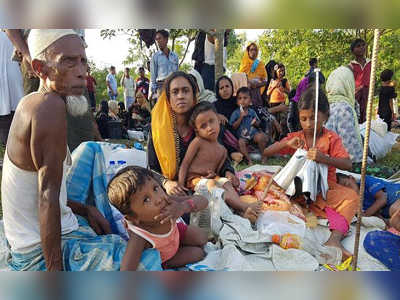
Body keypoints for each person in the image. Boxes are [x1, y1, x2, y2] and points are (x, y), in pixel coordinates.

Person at [2, 29, 160, 271]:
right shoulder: (48, 108)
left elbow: (46, 193)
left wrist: (85, 208)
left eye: (83, 61)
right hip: (39, 254)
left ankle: (98, 218)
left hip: (54, 223)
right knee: (148, 261)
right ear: (40, 68)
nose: (82, 72)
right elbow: (47, 198)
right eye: (68, 60)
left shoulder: (38, 100)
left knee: (91, 149)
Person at [263, 85, 358, 260]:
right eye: (304, 119)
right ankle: (304, 209)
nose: (308, 124)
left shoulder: (331, 138)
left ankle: (334, 239)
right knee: (274, 189)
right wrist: (286, 144)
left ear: (325, 116)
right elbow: (267, 152)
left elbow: (347, 164)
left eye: (314, 118)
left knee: (352, 198)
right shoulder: (297, 137)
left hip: (325, 190)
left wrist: (324, 158)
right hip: (297, 192)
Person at [148, 71, 239, 197]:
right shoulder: (158, 131)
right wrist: (166, 183)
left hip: (203, 184)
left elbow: (219, 154)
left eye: (186, 90)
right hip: (171, 190)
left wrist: (228, 172)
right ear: (168, 99)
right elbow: (151, 168)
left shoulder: (204, 125)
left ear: (194, 96)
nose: (180, 96)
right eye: (175, 92)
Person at [107, 166, 208, 270]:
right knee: (198, 253)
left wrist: (184, 207)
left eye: (155, 188)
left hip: (176, 234)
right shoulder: (140, 235)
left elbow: (203, 200)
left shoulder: (166, 200)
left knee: (202, 237)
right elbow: (128, 266)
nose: (158, 199)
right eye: (146, 200)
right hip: (166, 257)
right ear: (133, 217)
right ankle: (166, 265)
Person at [178, 102, 261, 222]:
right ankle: (244, 206)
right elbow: (185, 163)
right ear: (197, 130)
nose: (210, 128)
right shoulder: (198, 142)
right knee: (213, 184)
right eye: (203, 126)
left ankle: (240, 212)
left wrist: (216, 175)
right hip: (193, 180)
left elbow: (218, 171)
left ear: (218, 119)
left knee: (226, 182)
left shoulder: (222, 150)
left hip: (210, 179)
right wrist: (181, 184)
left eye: (212, 121)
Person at [324, 66, 364, 164]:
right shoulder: (343, 108)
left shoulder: (326, 105)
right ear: (348, 84)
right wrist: (364, 161)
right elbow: (351, 149)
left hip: (326, 160)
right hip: (341, 164)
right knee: (385, 172)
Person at [230, 87, 269, 166]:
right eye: (240, 98)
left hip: (253, 134)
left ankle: (264, 155)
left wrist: (255, 123)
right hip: (243, 137)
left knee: (260, 137)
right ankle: (248, 159)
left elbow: (258, 123)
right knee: (241, 142)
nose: (242, 100)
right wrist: (240, 118)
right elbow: (233, 127)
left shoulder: (252, 111)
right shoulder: (236, 113)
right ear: (237, 102)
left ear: (250, 100)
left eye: (245, 98)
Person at [0, 31, 23, 145]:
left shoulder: (10, 37)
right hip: (12, 92)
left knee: (7, 132)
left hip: (10, 92)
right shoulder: (11, 38)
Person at [150, 30, 179, 99]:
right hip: (161, 86)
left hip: (174, 85)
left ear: (166, 40)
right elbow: (153, 75)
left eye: (160, 38)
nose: (157, 41)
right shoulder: (155, 57)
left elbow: (177, 71)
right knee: (162, 108)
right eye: (156, 39)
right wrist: (154, 90)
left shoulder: (174, 56)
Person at [238, 43, 268, 109]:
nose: (253, 52)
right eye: (251, 50)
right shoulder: (244, 63)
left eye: (255, 50)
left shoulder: (260, 64)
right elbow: (239, 78)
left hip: (256, 94)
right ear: (248, 51)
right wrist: (247, 84)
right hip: (245, 93)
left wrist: (257, 85)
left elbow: (265, 81)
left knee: (257, 112)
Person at [349, 39, 371, 124]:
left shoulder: (370, 63)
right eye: (358, 46)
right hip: (356, 94)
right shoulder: (351, 66)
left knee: (366, 114)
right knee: (357, 114)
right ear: (353, 51)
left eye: (363, 45)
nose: (361, 48)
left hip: (368, 92)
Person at [267, 63, 291, 140]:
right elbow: (267, 93)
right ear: (276, 71)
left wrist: (283, 89)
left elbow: (289, 92)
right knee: (273, 121)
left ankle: (281, 138)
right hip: (273, 103)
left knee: (282, 121)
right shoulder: (272, 81)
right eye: (280, 71)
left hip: (282, 102)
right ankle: (273, 139)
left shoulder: (284, 81)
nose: (281, 73)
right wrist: (273, 86)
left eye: (283, 71)